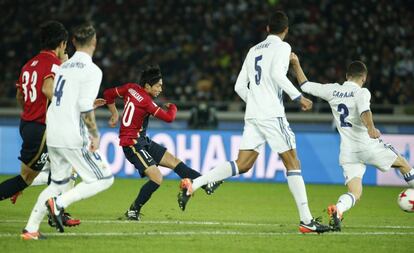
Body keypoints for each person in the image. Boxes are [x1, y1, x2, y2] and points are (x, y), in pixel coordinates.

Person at [177, 11, 330, 233]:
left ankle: (194, 184)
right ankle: (306, 221)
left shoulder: (253, 50)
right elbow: (278, 76)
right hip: (271, 114)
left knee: (243, 164)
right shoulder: (283, 47)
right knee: (293, 164)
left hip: (254, 114)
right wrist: (299, 97)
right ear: (286, 30)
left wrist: (255, 101)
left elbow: (239, 87)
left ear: (268, 28)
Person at [290, 56, 414, 231]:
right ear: (364, 78)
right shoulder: (362, 92)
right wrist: (371, 128)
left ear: (347, 76)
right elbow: (365, 110)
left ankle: (338, 210)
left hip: (348, 152)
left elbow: (305, 85)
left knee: (355, 192)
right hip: (367, 146)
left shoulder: (333, 90)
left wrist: (296, 65)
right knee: (401, 162)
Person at [21, 23, 114, 240]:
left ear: (72, 42)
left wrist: (88, 103)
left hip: (53, 132)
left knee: (58, 183)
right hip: (73, 134)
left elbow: (63, 96)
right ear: (95, 43)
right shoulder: (92, 70)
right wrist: (94, 134)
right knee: (104, 179)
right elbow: (83, 104)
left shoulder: (62, 66)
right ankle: (59, 203)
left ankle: (31, 229)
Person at [103, 65, 222, 220]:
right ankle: (133, 210)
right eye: (158, 85)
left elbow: (108, 94)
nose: (161, 89)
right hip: (132, 144)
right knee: (157, 178)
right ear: (147, 86)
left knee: (174, 161)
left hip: (142, 140)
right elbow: (169, 118)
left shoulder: (130, 88)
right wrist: (173, 107)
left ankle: (206, 183)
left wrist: (114, 114)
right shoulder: (147, 102)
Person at [0, 21, 69, 201]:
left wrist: (30, 112)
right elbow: (48, 89)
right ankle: (55, 210)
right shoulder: (54, 64)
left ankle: (59, 212)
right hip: (41, 127)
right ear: (61, 44)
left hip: (27, 124)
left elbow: (20, 96)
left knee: (61, 166)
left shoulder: (28, 65)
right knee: (25, 178)